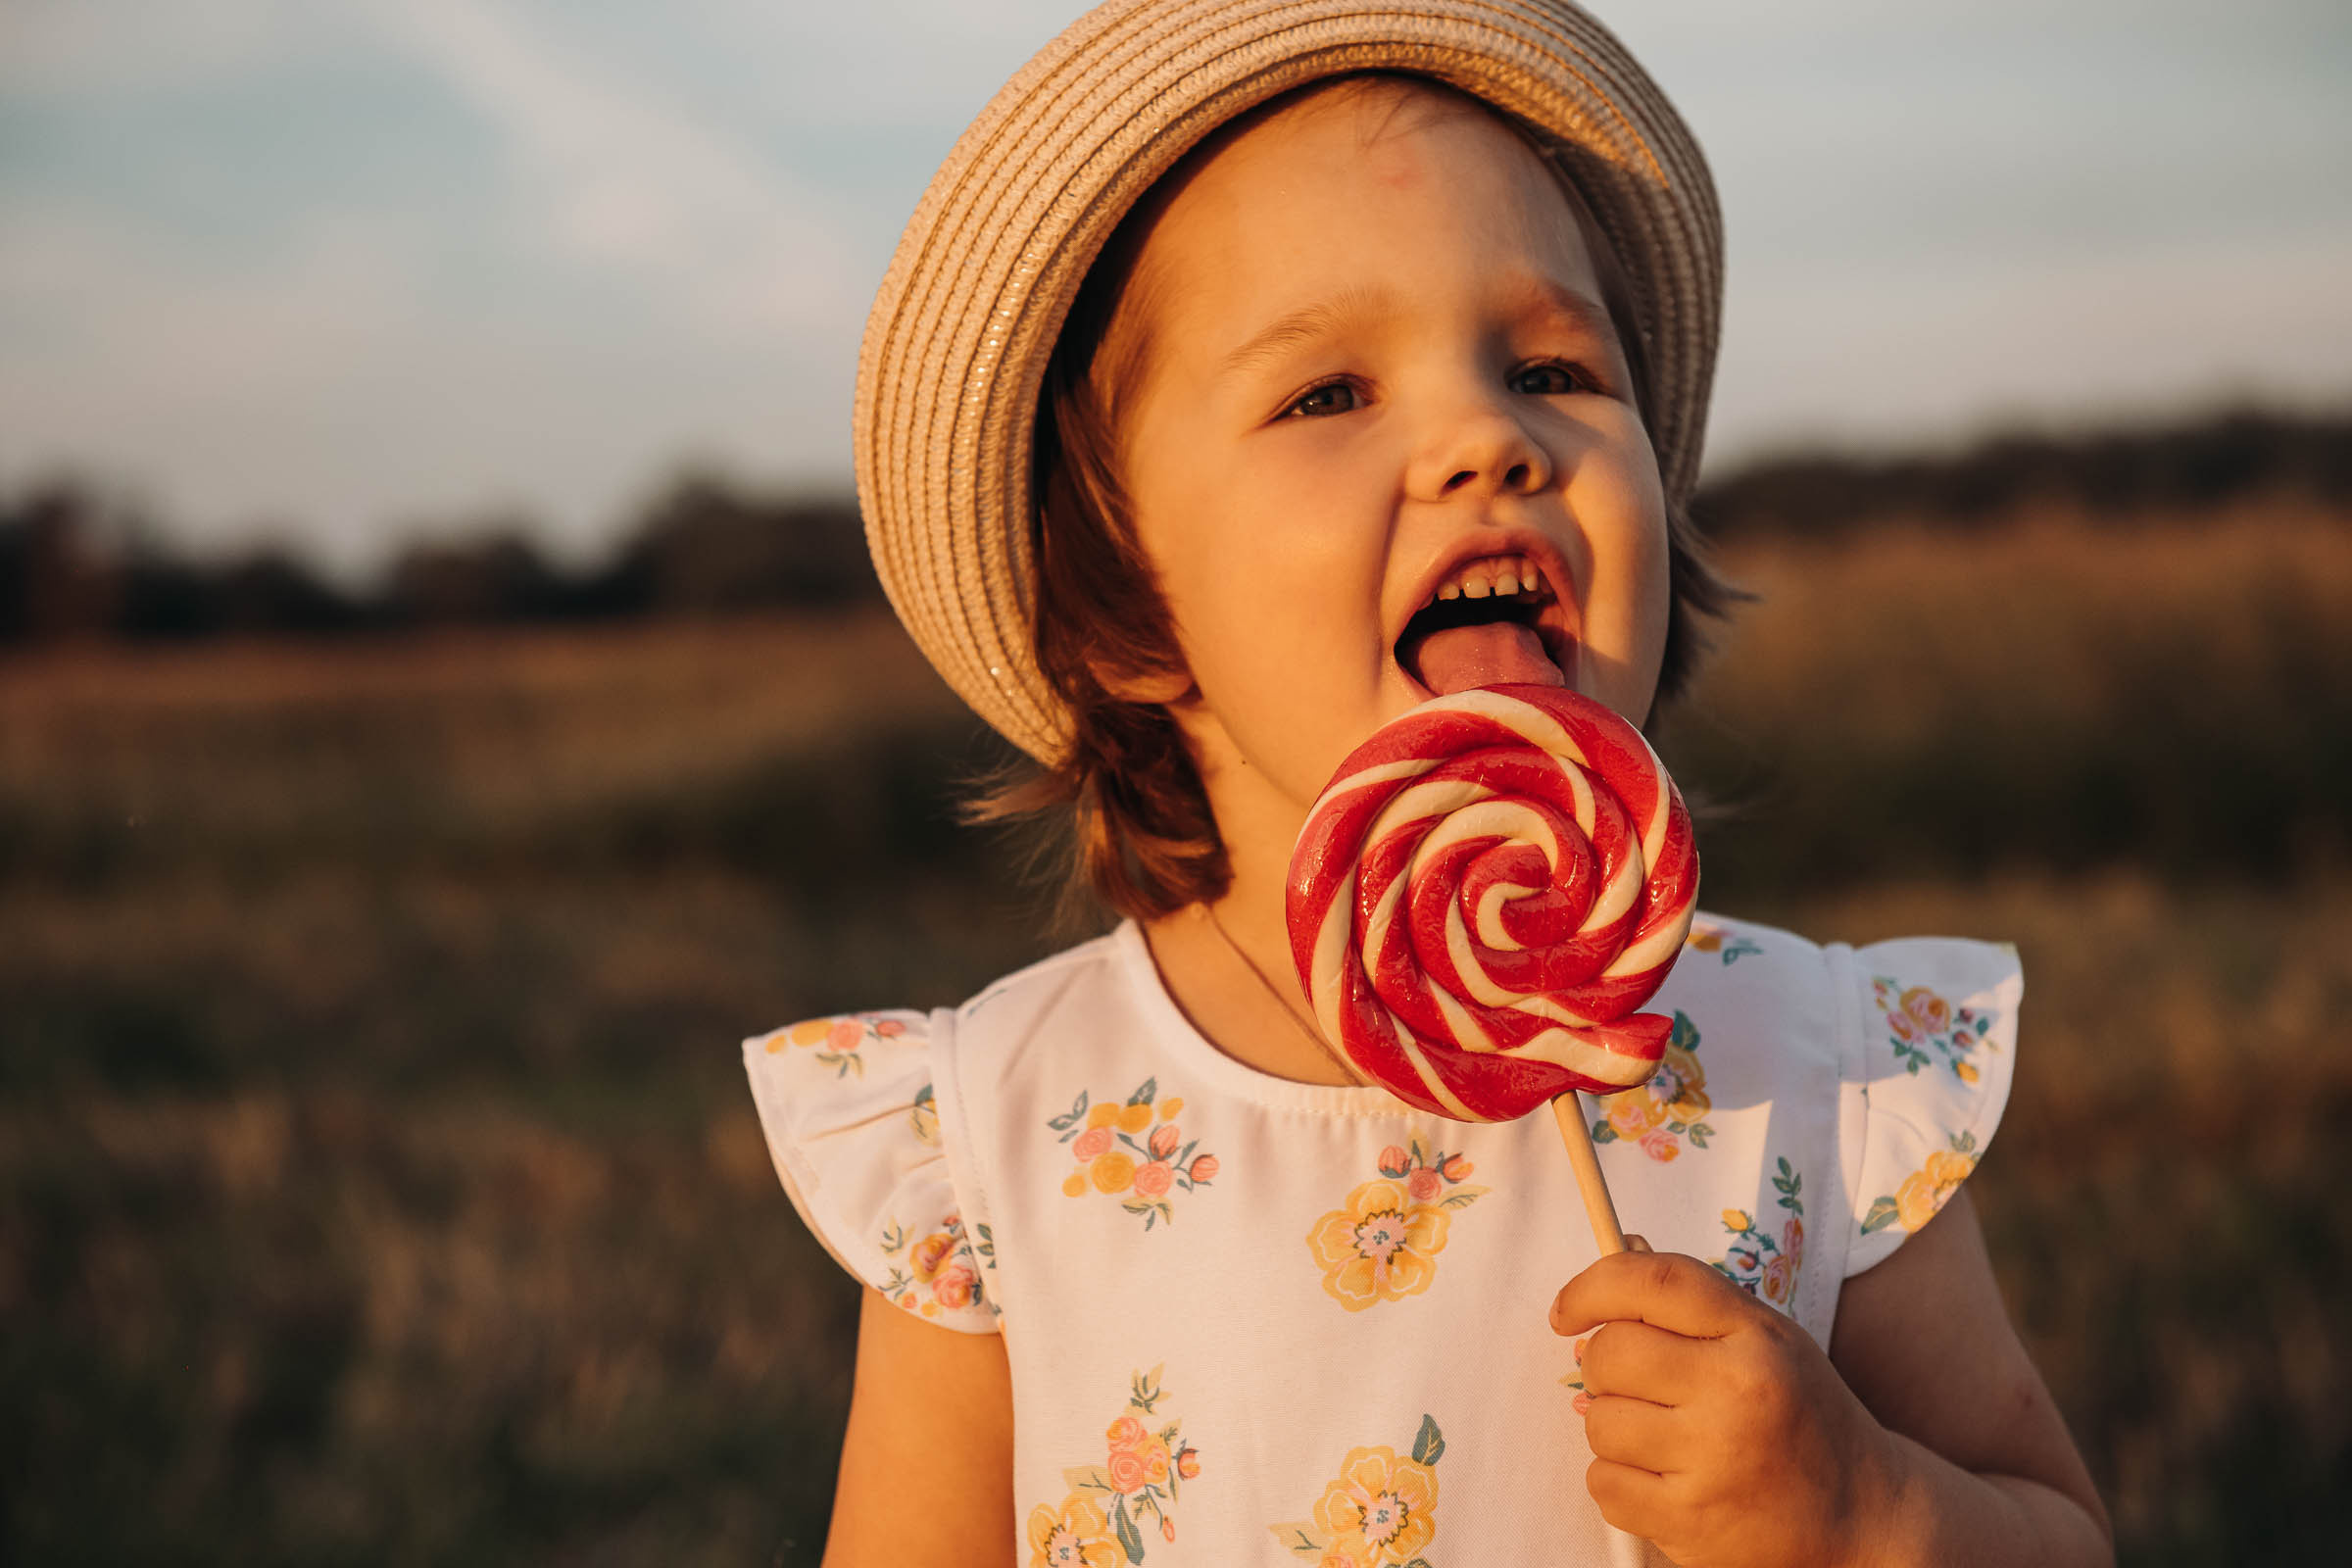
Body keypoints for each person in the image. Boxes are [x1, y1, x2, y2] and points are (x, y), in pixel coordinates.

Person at [744, 3, 2113, 1562]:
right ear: (1124, 605)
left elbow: (2058, 1533)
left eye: (1551, 366)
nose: (1487, 436)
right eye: (1329, 393)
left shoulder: (1816, 1076)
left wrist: (1868, 1511)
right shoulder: (994, 1145)